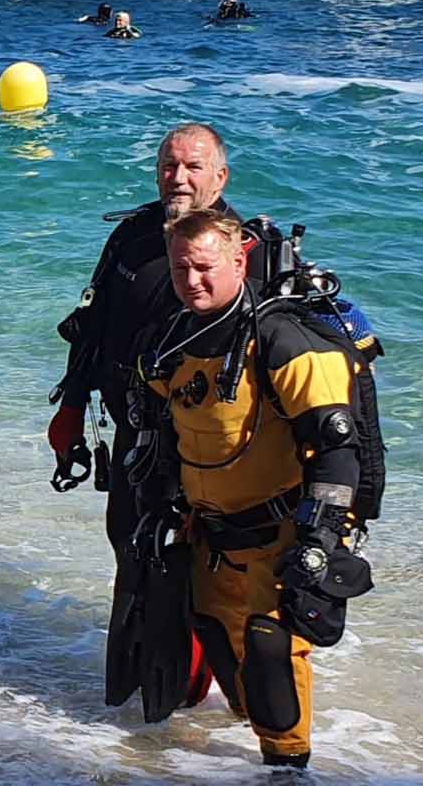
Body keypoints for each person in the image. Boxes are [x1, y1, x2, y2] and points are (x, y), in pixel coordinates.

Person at [132, 209, 374, 768]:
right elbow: (162, 437)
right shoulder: (171, 339)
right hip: (211, 535)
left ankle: (288, 769)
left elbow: (339, 449)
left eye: (204, 267)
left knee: (271, 652)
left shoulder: (282, 340)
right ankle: (248, 740)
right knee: (223, 646)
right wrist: (158, 505)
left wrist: (320, 541)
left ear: (239, 258)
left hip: (282, 532)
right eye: (179, 269)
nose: (191, 281)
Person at [48, 123, 242, 547]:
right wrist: (72, 407)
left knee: (188, 563)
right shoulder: (132, 235)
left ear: (220, 177)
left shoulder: (238, 252)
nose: (178, 177)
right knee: (126, 540)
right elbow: (90, 326)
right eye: (168, 166)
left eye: (194, 166)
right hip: (133, 430)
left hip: (205, 446)